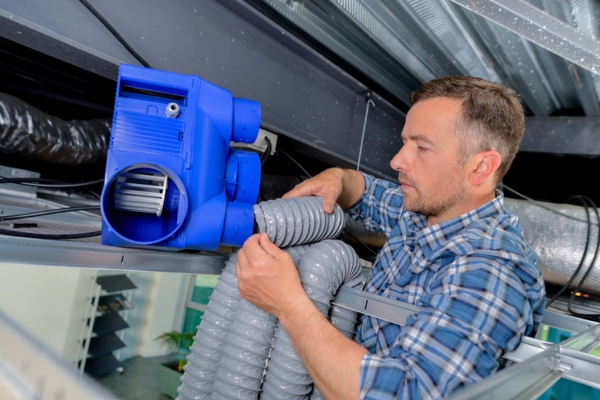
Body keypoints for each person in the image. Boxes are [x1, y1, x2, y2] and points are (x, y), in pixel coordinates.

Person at [236, 76, 546, 399]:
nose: (397, 161)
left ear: (481, 167)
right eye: (405, 142)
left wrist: (288, 304)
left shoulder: (492, 270)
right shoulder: (426, 211)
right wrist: (340, 178)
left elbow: (404, 393)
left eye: (422, 147)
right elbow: (365, 192)